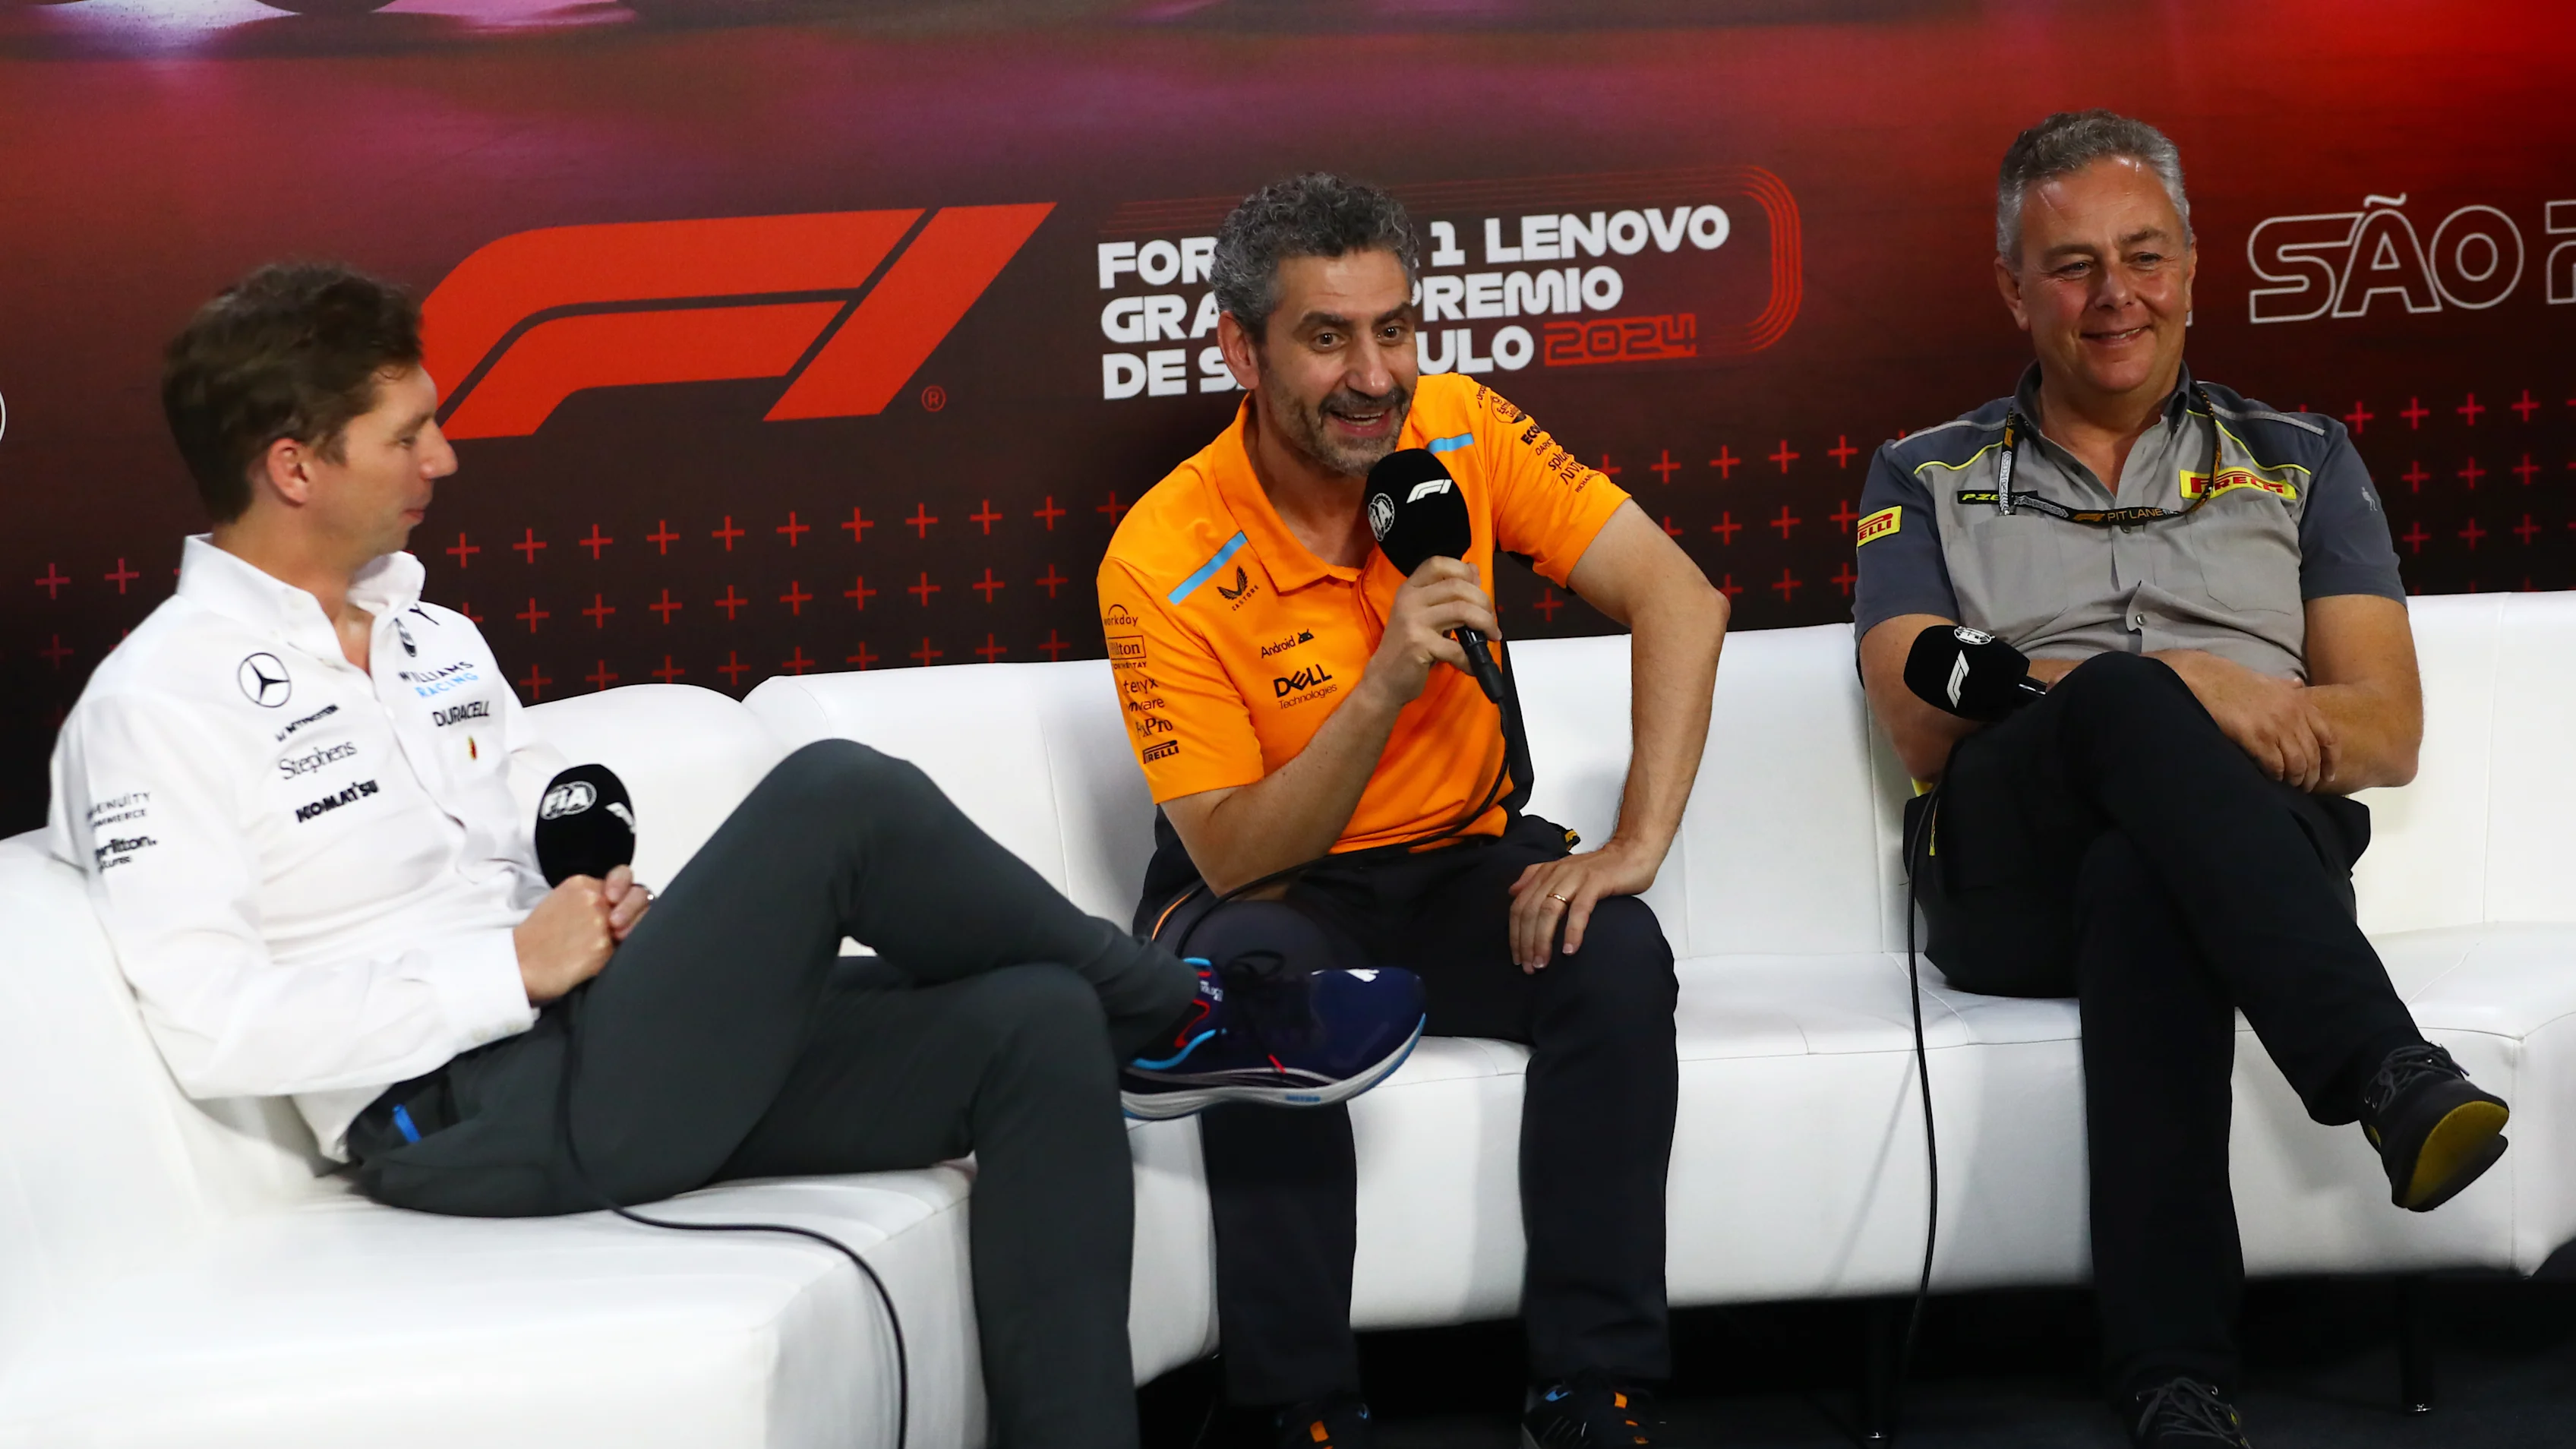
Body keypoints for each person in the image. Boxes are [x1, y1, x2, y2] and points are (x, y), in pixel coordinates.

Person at [47, 262, 1420, 1449]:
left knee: (1035, 1023)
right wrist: (508, 972)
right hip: (458, 1114)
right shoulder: (158, 702)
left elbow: (509, 858)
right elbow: (215, 1027)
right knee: (834, 795)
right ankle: (1187, 1016)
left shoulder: (431, 637)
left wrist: (582, 912)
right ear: (295, 465)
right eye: (409, 435)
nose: (444, 461)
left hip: (599, 1040)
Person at [1852, 111, 2511, 1449]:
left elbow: (2385, 729)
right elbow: (1918, 696)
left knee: (2146, 874)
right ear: (2014, 289)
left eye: (2144, 256)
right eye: (2076, 264)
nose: (2116, 297)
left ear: (2197, 264)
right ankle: (2384, 1071)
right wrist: (2162, 693)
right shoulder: (1925, 470)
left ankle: (2178, 1387)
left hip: (2233, 856)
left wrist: (2191, 722)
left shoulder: (2304, 457)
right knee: (2131, 707)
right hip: (2004, 864)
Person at [1097, 174, 1730, 1449]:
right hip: (1278, 886)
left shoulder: (1464, 427)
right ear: (1239, 347)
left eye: (1395, 329)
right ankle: (1298, 1410)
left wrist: (1636, 846)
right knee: (1256, 990)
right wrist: (1386, 679)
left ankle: (1591, 1389)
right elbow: (1232, 848)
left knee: (1612, 954)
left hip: (1460, 862)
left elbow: (1681, 597)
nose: (1375, 375)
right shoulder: (1160, 554)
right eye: (1328, 338)